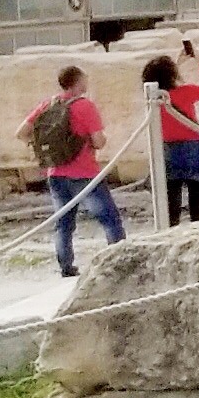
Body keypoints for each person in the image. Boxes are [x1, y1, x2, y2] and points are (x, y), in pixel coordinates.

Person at [23, 65, 125, 276]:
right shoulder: (85, 106)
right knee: (109, 218)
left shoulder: (48, 105)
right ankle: (120, 261)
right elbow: (98, 142)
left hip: (56, 173)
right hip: (84, 172)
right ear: (78, 81)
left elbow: (21, 132)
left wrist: (41, 148)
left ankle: (66, 267)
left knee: (64, 223)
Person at [143, 46, 199, 226]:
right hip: (194, 147)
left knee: (172, 204)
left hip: (168, 148)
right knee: (197, 204)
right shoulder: (186, 92)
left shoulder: (155, 98)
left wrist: (176, 64)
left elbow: (161, 76)